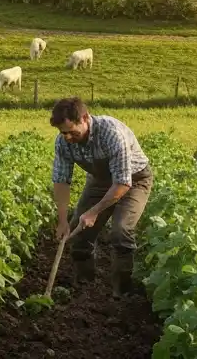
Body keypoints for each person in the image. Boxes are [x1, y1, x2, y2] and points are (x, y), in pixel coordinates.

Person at [49, 96, 153, 296]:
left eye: (72, 132)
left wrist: (94, 212)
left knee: (121, 230)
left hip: (133, 181)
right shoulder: (63, 142)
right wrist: (62, 221)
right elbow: (61, 181)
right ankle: (85, 288)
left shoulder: (111, 134)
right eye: (63, 133)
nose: (68, 137)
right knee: (78, 231)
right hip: (100, 181)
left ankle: (122, 293)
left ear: (85, 118)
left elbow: (122, 183)